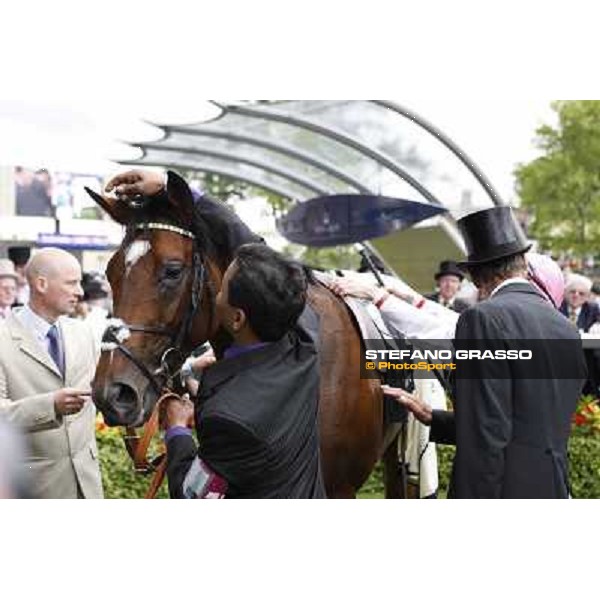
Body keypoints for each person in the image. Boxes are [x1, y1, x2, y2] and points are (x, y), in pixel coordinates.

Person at [383, 206, 587, 498]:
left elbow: (487, 433)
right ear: (523, 266)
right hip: (553, 487)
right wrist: (434, 417)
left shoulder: (483, 319)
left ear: (477, 278)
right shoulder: (565, 327)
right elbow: (528, 421)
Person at [162, 243, 326, 499]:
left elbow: (192, 495)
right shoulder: (307, 347)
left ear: (237, 319)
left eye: (222, 289)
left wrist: (177, 429)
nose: (217, 293)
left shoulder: (227, 420)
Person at [0, 248, 103, 499]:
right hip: (35, 489)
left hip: (88, 486)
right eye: (71, 283)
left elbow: (105, 389)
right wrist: (50, 405)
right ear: (41, 284)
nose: (80, 291)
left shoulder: (84, 334)